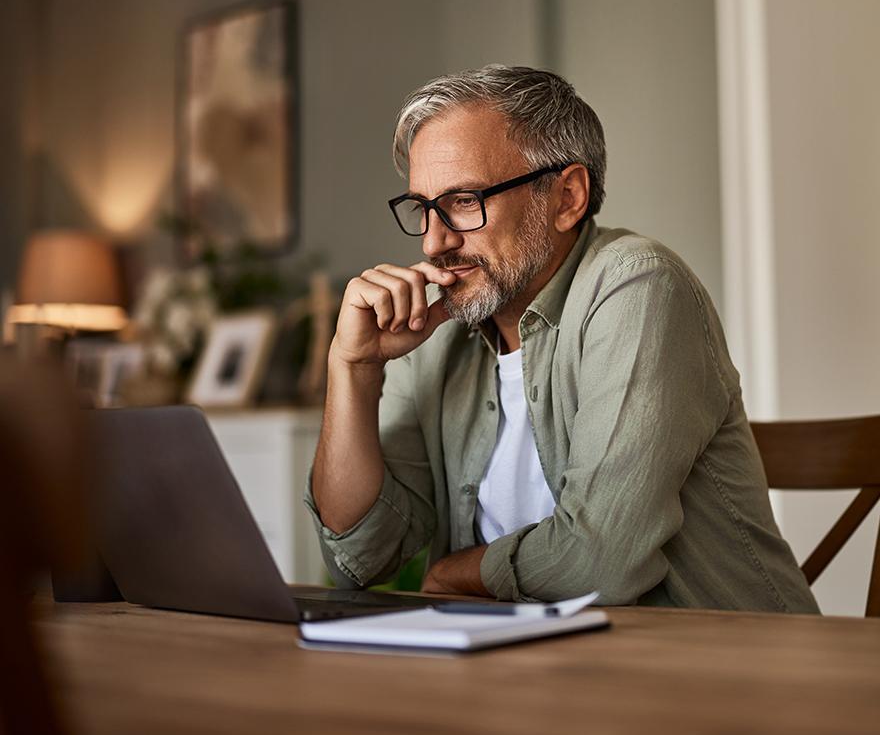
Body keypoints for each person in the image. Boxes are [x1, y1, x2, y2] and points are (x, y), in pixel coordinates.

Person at [306, 65, 818, 612]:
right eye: (423, 208)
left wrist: (459, 573)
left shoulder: (638, 285)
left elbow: (600, 562)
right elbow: (358, 557)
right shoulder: (435, 330)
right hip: (530, 666)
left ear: (567, 196)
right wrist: (353, 367)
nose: (434, 242)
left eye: (463, 201)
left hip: (722, 669)